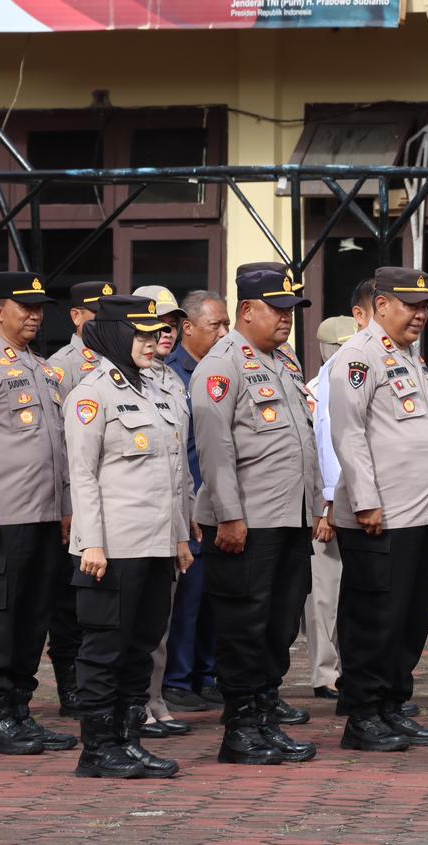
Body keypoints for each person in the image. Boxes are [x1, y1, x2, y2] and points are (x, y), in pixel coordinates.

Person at [190, 262, 325, 765]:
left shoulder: (283, 363)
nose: (288, 317)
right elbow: (215, 449)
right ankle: (241, 729)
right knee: (244, 627)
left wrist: (316, 505)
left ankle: (265, 716)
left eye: (292, 309)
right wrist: (229, 515)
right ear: (247, 310)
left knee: (279, 625)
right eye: (278, 308)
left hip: (290, 519)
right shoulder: (221, 366)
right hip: (247, 522)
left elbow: (302, 441)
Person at [65, 295, 194, 779]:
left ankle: (128, 739)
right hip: (113, 548)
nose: (150, 342)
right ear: (116, 335)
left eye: (152, 333)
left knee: (140, 649)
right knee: (105, 651)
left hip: (156, 545)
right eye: (139, 334)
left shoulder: (157, 390)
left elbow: (173, 473)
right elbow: (82, 476)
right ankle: (98, 748)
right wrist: (92, 543)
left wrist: (179, 538)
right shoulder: (91, 394)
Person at [0, 271, 78, 755]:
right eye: (25, 307)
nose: (35, 316)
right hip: (2, 518)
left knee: (33, 618)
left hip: (44, 516)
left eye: (39, 308)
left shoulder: (44, 369)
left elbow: (59, 448)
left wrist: (65, 508)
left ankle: (20, 711)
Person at [329, 266, 428, 752]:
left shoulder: (408, 357)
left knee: (408, 619)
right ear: (380, 305)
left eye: (424, 307)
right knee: (373, 620)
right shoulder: (358, 356)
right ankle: (363, 715)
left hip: (417, 514)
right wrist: (366, 501)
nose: (419, 315)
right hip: (380, 517)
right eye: (410, 305)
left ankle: (392, 706)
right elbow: (348, 433)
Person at [43, 279, 119, 719]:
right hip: (76, 503)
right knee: (70, 600)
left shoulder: (119, 360)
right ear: (76, 317)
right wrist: (68, 505)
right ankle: (70, 684)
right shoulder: (62, 367)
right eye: (96, 311)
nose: (106, 319)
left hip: (115, 503)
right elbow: (62, 447)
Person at [131, 285, 196, 738]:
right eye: (155, 327)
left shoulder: (171, 380)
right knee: (133, 622)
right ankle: (133, 704)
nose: (165, 334)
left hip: (171, 515)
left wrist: (187, 513)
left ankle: (154, 697)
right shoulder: (117, 379)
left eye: (171, 325)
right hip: (134, 518)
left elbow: (180, 456)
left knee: (161, 619)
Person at [161, 290, 230, 713]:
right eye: (215, 325)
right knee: (187, 601)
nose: (223, 333)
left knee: (213, 599)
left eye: (226, 325)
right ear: (187, 328)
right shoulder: (173, 374)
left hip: (220, 503)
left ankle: (206, 675)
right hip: (189, 505)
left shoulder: (223, 370)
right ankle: (178, 680)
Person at [304, 313, 357, 701]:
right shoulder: (315, 391)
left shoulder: (353, 383)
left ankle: (349, 666)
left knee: (351, 593)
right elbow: (321, 453)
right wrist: (325, 508)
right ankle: (325, 672)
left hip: (357, 502)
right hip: (327, 504)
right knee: (323, 594)